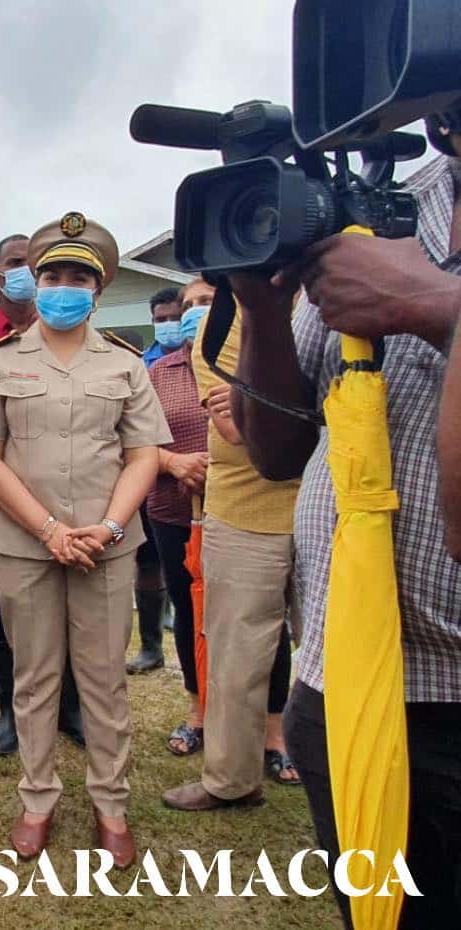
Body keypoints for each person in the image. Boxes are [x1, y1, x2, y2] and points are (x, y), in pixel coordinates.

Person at [233, 140, 461, 927]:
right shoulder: (378, 207)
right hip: (341, 681)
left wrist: (441, 310)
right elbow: (277, 448)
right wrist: (261, 302)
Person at [0, 212, 171, 869]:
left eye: (77, 275)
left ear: (99, 286)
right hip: (25, 546)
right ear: (33, 280)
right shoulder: (0, 362)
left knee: (106, 680)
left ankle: (112, 804)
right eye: (51, 273)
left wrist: (107, 527)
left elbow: (143, 456)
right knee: (34, 677)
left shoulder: (126, 363)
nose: (62, 285)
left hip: (106, 545)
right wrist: (50, 529)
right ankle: (37, 798)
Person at [160, 273, 300, 812]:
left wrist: (262, 410)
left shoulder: (330, 300)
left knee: (338, 655)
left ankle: (348, 776)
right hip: (243, 509)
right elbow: (245, 430)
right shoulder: (219, 327)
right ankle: (231, 780)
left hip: (332, 503)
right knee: (235, 656)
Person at [0, 233, 85, 757]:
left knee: (77, 610)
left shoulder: (78, 333)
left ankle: (71, 708)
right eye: (15, 264)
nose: (27, 272)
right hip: (5, 501)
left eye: (34, 263)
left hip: (77, 497)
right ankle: (11, 709)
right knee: (3, 613)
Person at [145, 278, 211, 756]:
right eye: (186, 305)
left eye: (205, 302)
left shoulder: (248, 362)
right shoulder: (160, 372)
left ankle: (271, 731)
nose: (192, 313)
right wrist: (174, 463)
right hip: (173, 510)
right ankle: (198, 711)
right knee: (188, 610)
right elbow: (138, 440)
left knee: (258, 618)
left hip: (245, 511)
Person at [126, 288, 182, 674]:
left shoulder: (212, 360)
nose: (168, 325)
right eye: (160, 319)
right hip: (151, 486)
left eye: (174, 316)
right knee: (147, 565)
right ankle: (151, 646)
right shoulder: (142, 366)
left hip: (200, 483)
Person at [142, 285, 184, 368]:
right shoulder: (141, 362)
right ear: (153, 322)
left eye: (176, 318)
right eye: (161, 319)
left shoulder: (205, 358)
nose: (169, 323)